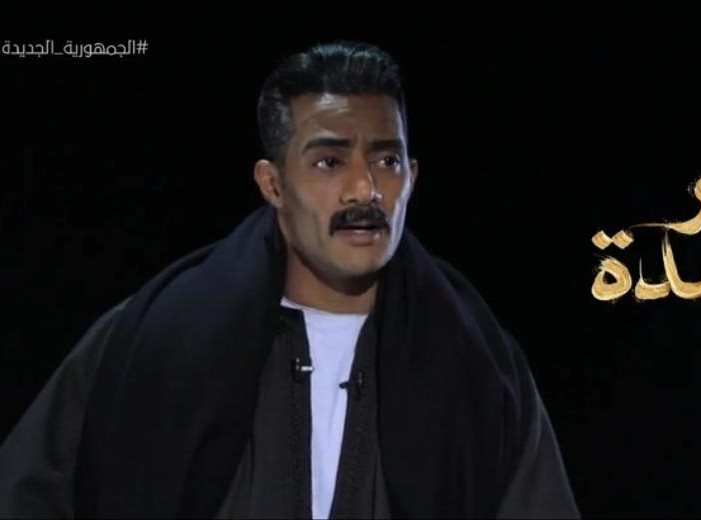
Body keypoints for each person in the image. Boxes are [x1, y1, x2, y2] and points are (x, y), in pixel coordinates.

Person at [0, 41, 579, 519]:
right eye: (330, 162)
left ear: (413, 176)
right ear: (272, 184)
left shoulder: (478, 364)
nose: (365, 190)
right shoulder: (151, 339)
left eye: (386, 161)